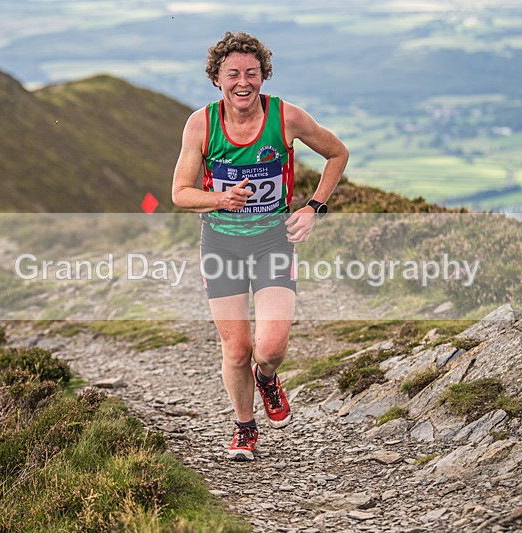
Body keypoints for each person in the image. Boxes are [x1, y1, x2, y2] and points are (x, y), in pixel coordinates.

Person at [172, 31, 348, 461]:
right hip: (221, 245)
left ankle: (267, 376)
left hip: (272, 242)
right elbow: (180, 192)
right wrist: (219, 199)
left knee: (269, 350)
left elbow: (337, 153)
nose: (243, 81)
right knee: (235, 348)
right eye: (232, 73)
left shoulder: (286, 118)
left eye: (252, 72)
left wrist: (313, 208)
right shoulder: (201, 123)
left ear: (263, 76)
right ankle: (244, 428)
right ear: (217, 78)